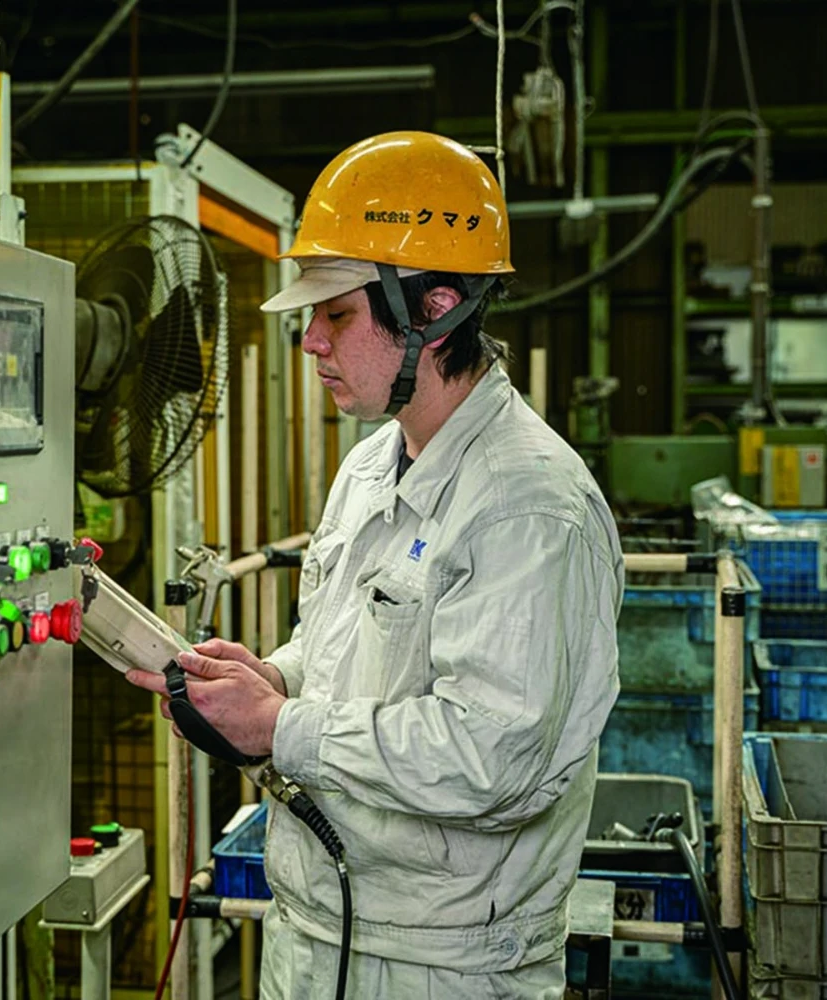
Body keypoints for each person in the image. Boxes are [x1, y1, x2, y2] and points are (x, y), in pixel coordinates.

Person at [126, 131, 623, 999]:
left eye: (337, 315)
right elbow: (347, 647)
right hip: (314, 927)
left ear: (434, 309)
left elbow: (491, 756)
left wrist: (280, 727)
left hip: (445, 966)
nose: (310, 342)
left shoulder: (528, 507)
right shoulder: (369, 466)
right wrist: (271, 678)